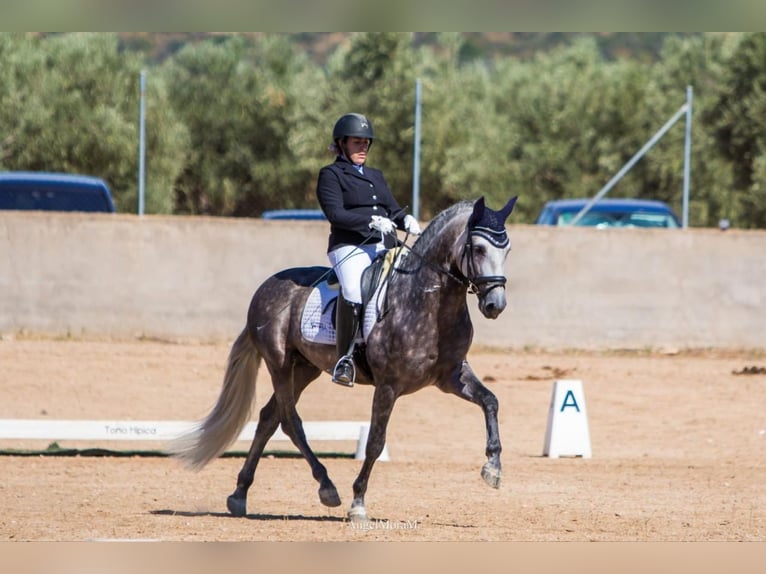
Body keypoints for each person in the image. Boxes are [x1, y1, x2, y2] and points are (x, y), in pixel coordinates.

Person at [316, 113, 421, 387]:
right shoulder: (331, 175)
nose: (362, 148)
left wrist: (404, 219)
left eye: (365, 143)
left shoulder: (376, 175)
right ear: (341, 144)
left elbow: (392, 210)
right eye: (356, 143)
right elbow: (335, 214)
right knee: (352, 289)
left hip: (384, 245)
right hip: (350, 246)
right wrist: (369, 221)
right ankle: (345, 359)